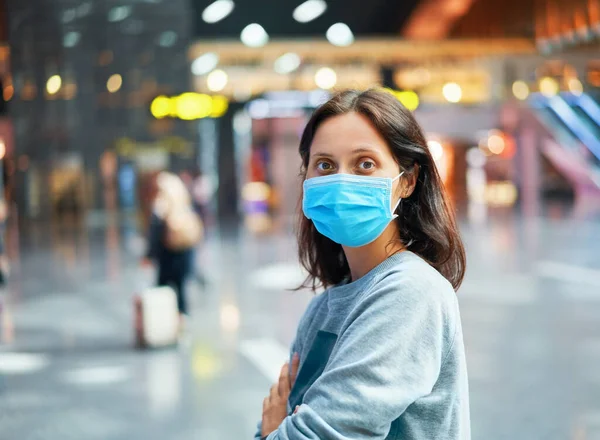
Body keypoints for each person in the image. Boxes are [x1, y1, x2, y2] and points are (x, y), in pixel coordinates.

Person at [256, 89, 470, 440]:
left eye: (365, 164)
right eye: (325, 165)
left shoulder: (410, 292)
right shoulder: (323, 308)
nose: (342, 180)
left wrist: (276, 432)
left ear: (407, 180)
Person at [144, 172, 202, 325]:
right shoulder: (183, 202)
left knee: (162, 290)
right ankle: (183, 320)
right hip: (184, 256)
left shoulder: (161, 206)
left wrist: (149, 256)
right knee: (181, 290)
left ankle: (165, 323)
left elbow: (154, 233)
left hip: (167, 257)